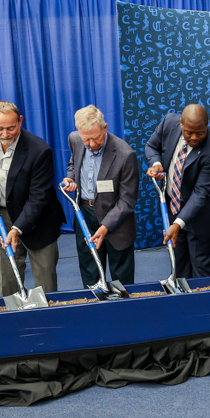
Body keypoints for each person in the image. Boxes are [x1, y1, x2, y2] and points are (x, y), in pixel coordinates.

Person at [0, 100, 64, 296]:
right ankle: (12, 311)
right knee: (8, 277)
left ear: (20, 121)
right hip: (3, 216)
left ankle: (46, 312)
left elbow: (39, 197)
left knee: (45, 280)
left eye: (11, 128)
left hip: (39, 220)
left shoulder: (39, 150)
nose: (5, 134)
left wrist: (17, 228)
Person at [144, 104, 210, 278]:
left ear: (207, 125)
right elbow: (151, 146)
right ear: (181, 123)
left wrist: (177, 224)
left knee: (200, 266)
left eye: (200, 133)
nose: (194, 137)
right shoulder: (169, 122)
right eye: (189, 133)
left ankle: (206, 295)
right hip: (173, 207)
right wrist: (156, 164)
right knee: (178, 264)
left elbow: (201, 193)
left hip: (201, 214)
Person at [61, 105, 138, 286]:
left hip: (116, 219)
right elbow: (73, 164)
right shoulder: (75, 139)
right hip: (85, 215)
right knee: (90, 272)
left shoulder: (125, 154)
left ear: (105, 128)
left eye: (96, 138)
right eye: (86, 140)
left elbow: (127, 201)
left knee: (122, 278)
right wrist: (70, 178)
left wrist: (105, 227)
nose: (92, 145)